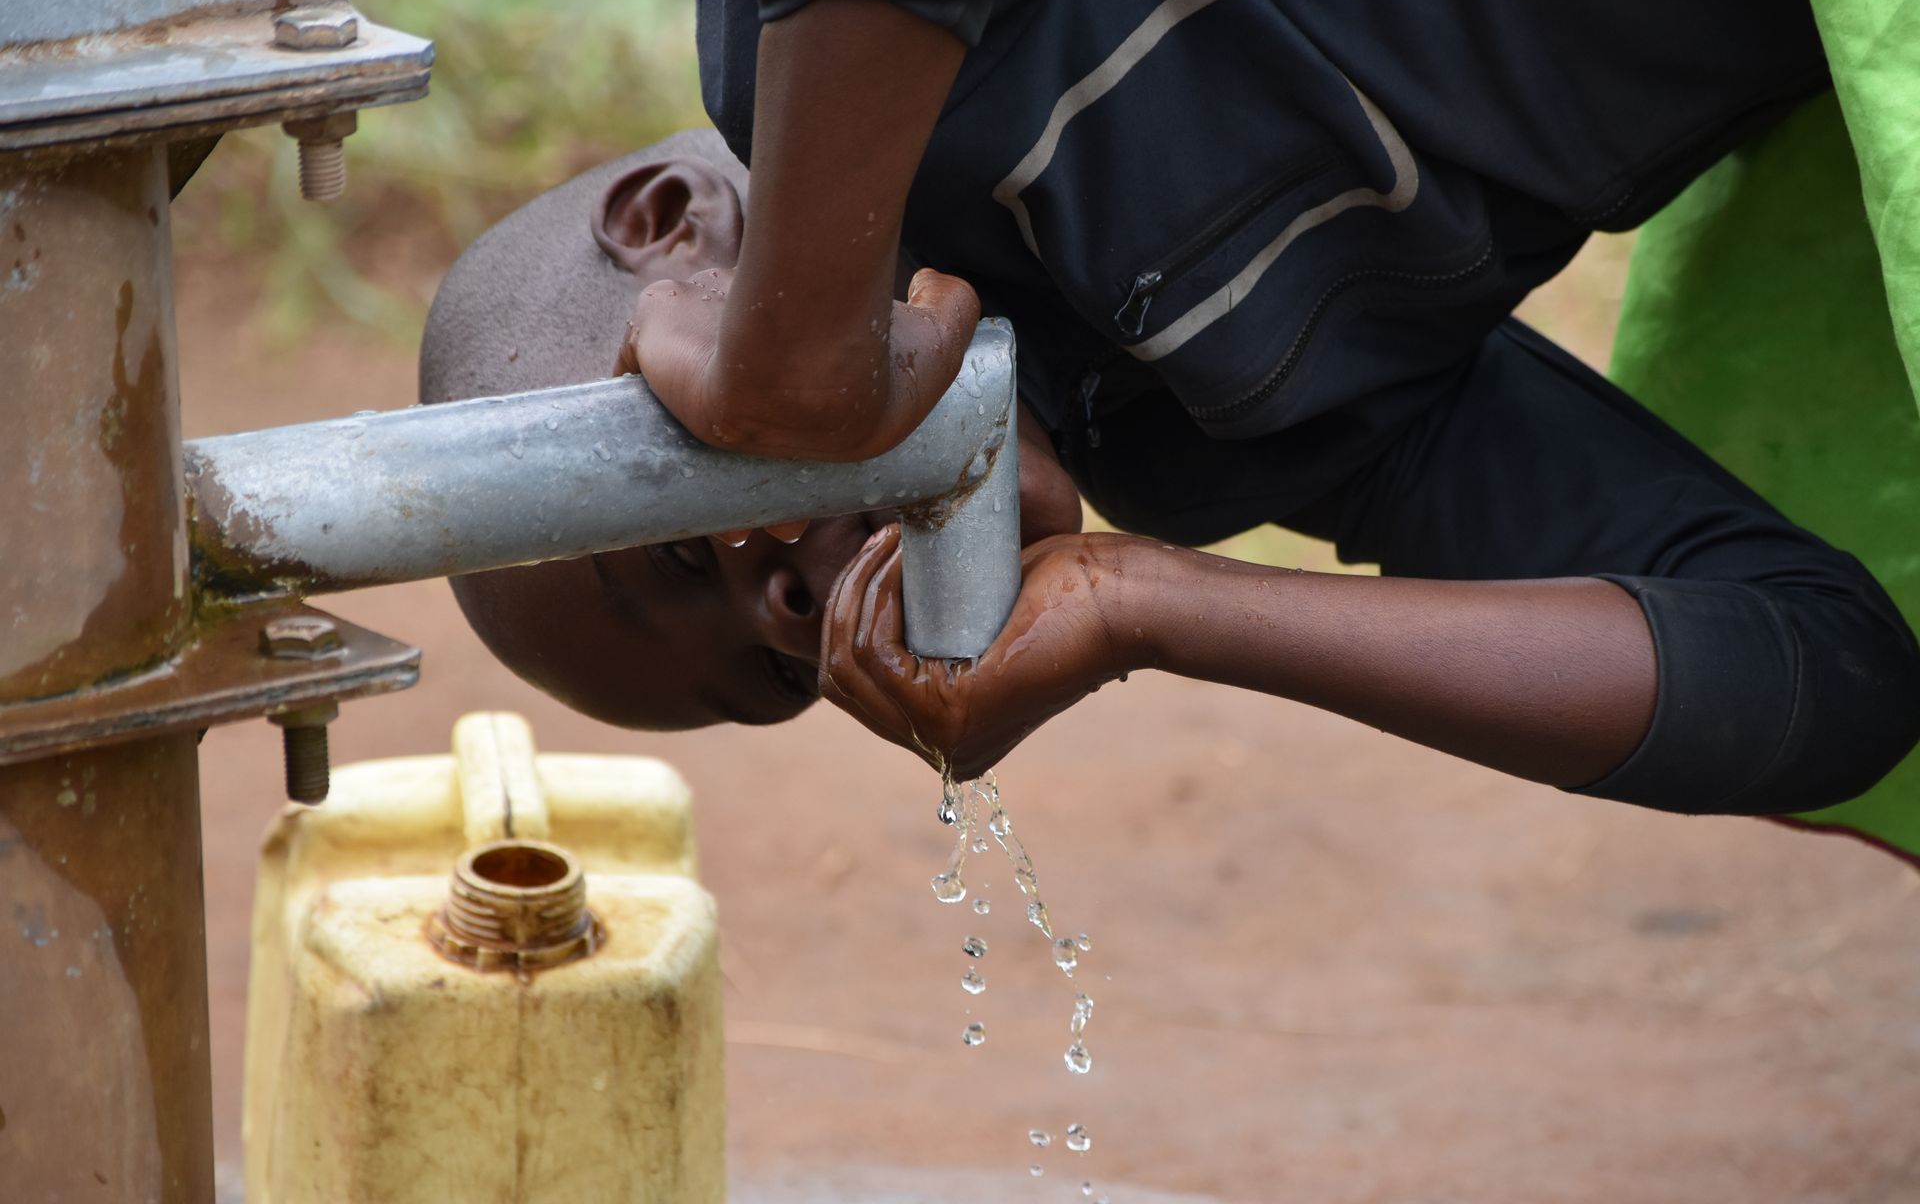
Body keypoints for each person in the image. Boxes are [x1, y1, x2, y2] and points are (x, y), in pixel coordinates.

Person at [419, 119, 1920, 814]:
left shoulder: (843, 37)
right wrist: (1163, 602)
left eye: (680, 544)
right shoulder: (1216, 425)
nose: (793, 615)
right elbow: (1830, 672)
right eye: (779, 672)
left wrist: (800, 318)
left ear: (675, 226)